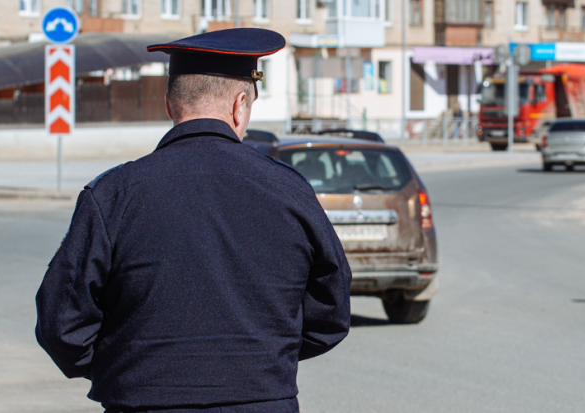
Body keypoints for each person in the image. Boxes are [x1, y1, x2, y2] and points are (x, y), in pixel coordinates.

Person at [35, 28, 351, 413]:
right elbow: (331, 311)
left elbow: (62, 324)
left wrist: (128, 370)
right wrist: (257, 365)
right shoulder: (290, 191)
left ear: (170, 106)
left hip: (142, 404)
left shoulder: (113, 194)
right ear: (240, 105)